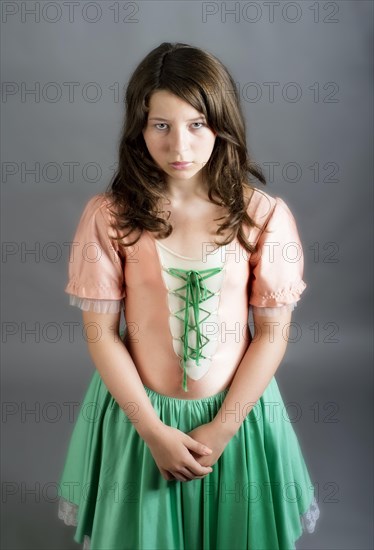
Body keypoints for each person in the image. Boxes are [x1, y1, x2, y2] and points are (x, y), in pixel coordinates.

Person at [57, 42, 320, 549]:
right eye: (162, 125)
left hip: (238, 418)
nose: (180, 145)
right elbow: (101, 334)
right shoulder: (111, 217)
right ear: (139, 126)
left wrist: (221, 429)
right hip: (140, 417)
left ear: (221, 124)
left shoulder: (261, 216)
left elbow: (271, 333)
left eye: (197, 123)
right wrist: (153, 430)